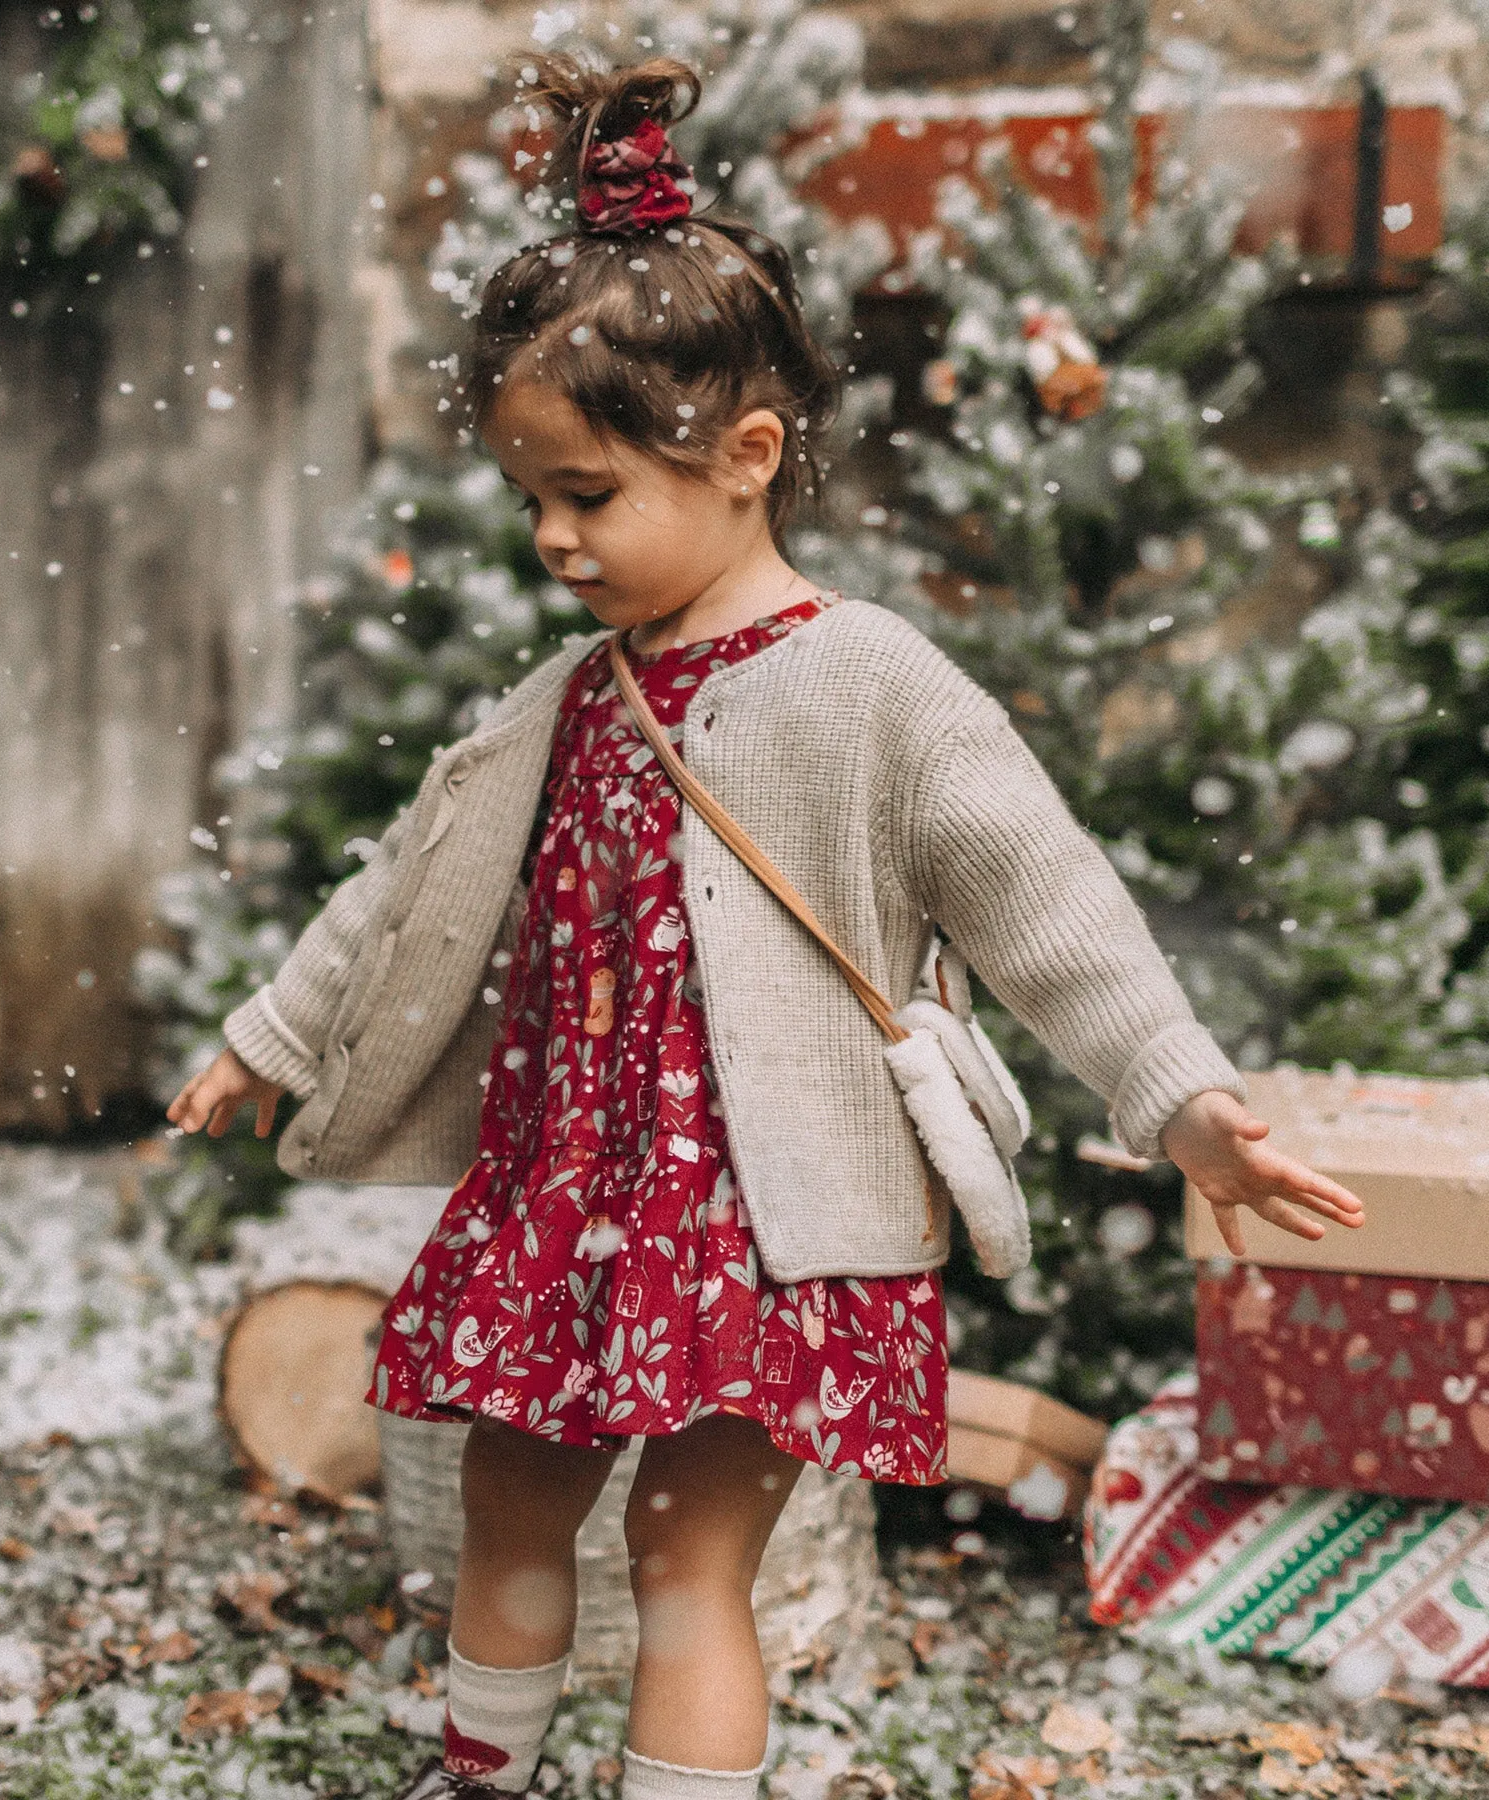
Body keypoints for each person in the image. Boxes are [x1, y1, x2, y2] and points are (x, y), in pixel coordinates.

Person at [168, 50, 1364, 1800]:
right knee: (512, 1493)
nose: (554, 540)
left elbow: (1049, 902)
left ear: (747, 456)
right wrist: (270, 1039)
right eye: (531, 500)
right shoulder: (566, 700)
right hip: (568, 1186)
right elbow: (406, 887)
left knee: (686, 1552)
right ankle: (476, 1776)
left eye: (589, 495)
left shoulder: (870, 684)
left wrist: (1179, 1096)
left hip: (769, 1222)